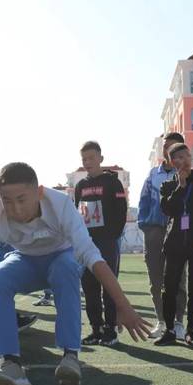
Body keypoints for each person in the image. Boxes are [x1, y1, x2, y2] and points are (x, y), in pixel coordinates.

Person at [0, 162, 150, 385]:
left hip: (61, 257)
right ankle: (11, 364)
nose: (15, 209)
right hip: (25, 259)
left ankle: (70, 356)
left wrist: (123, 306)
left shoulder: (61, 205)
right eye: (7, 200)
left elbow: (91, 256)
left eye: (21, 199)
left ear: (39, 192)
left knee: (66, 268)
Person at [154, 143, 193, 346]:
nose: (180, 161)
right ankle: (169, 329)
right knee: (169, 288)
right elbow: (168, 209)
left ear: (190, 158)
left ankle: (191, 331)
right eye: (175, 158)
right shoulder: (167, 185)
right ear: (170, 162)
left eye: (183, 156)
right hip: (175, 243)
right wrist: (181, 186)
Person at [75, 141, 127, 346]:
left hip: (107, 242)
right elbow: (76, 213)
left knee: (109, 284)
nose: (87, 162)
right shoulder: (80, 186)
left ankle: (110, 330)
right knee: (89, 286)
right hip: (86, 243)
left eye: (91, 158)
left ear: (100, 158)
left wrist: (113, 235)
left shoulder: (112, 182)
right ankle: (96, 328)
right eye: (84, 159)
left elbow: (121, 209)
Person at [137, 132, 188, 340]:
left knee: (178, 279)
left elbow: (190, 207)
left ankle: (178, 323)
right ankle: (161, 321)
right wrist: (147, 227)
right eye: (165, 146)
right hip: (155, 231)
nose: (169, 151)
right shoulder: (153, 175)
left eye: (173, 146)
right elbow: (144, 202)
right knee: (156, 279)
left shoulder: (189, 176)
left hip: (178, 231)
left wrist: (185, 230)